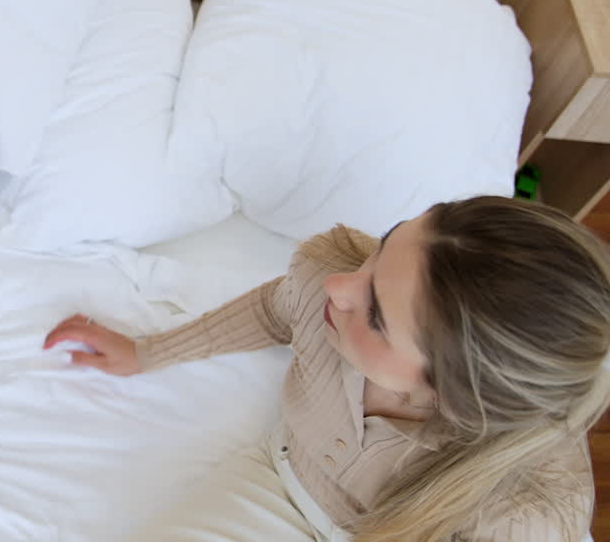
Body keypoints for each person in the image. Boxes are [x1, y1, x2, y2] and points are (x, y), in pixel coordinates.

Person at [45, 196, 609, 541]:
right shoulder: (327, 277)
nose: (340, 286)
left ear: (454, 398)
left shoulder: (522, 515)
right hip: (283, 488)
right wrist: (146, 353)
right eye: (385, 244)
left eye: (378, 317)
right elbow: (277, 309)